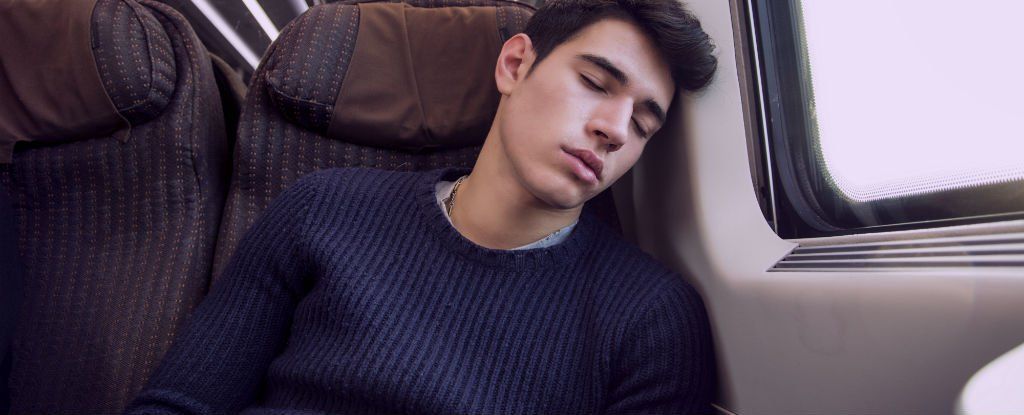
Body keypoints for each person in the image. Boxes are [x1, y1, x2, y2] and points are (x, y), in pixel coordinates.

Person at [126, 0, 718, 413]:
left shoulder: (651, 318)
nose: (615, 129)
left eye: (643, 124)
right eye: (594, 82)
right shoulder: (322, 210)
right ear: (515, 65)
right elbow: (181, 403)